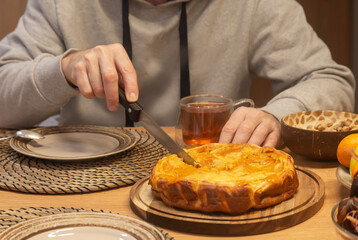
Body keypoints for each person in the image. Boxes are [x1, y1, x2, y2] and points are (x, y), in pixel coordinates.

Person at [0, 0, 355, 148]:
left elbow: (332, 80)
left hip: (211, 188)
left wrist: (273, 116)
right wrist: (63, 69)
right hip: (81, 182)